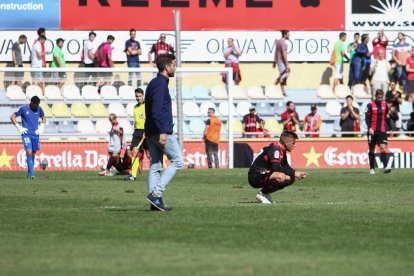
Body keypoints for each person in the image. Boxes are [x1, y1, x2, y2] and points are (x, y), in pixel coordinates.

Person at [145, 54, 183, 212]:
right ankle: (156, 194)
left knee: (155, 165)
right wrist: (162, 131)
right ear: (166, 67)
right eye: (173, 65)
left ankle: (155, 203)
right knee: (178, 161)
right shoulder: (161, 84)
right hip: (161, 131)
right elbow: (157, 111)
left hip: (150, 131)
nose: (175, 67)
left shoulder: (154, 83)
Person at [248, 130, 309, 204]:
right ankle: (262, 194)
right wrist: (294, 173)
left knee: (291, 178)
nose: (294, 145)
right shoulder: (275, 148)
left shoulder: (282, 150)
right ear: (286, 143)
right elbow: (276, 168)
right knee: (280, 176)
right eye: (293, 143)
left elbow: (285, 166)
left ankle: (266, 193)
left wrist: (296, 173)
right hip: (255, 176)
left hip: (265, 174)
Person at [10, 96, 45, 179]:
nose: (37, 107)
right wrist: (19, 127)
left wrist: (42, 126)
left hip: (35, 135)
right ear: (32, 103)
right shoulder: (23, 109)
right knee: (28, 152)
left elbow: (43, 117)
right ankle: (32, 175)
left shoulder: (39, 109)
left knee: (33, 154)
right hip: (26, 134)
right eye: (36, 105)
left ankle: (29, 174)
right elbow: (12, 117)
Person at [365, 89, 397, 174]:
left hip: (382, 130)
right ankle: (372, 168)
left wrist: (390, 129)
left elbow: (387, 117)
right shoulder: (370, 105)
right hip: (372, 131)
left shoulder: (384, 105)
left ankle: (385, 167)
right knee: (372, 150)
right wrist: (369, 128)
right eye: (378, 97)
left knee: (383, 148)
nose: (380, 99)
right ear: (375, 97)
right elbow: (367, 118)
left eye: (381, 98)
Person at [131, 88, 148, 175]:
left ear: (143, 96)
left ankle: (155, 173)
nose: (138, 98)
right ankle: (133, 176)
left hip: (146, 131)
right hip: (137, 132)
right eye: (136, 96)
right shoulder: (135, 107)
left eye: (139, 96)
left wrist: (148, 130)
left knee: (149, 154)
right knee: (134, 151)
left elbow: (150, 119)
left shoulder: (147, 106)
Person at [273, 30, 290, 95]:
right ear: (285, 35)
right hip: (282, 62)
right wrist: (287, 64)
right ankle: (282, 92)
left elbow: (276, 52)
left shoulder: (278, 42)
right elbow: (284, 54)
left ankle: (275, 87)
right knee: (283, 76)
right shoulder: (283, 43)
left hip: (279, 62)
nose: (289, 36)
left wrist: (274, 62)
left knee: (282, 76)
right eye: (288, 34)